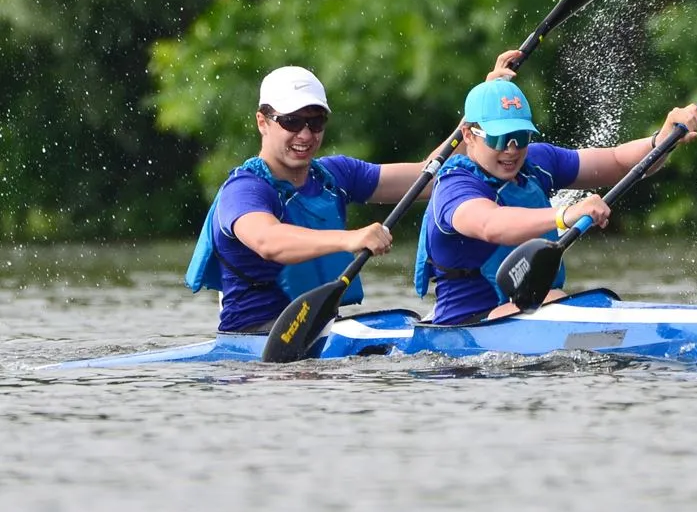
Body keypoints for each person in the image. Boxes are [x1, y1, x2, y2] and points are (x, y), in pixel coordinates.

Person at [185, 54, 519, 334]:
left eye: (316, 122)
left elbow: (429, 177)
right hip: (261, 340)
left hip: (325, 331)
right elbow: (269, 242)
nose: (305, 134)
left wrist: (478, 118)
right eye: (291, 121)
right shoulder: (245, 189)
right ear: (263, 122)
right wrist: (350, 239)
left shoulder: (335, 175)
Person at [414, 61, 697, 325]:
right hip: (464, 333)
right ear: (468, 135)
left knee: (558, 300)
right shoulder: (455, 185)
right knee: (552, 301)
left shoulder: (537, 163)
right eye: (500, 138)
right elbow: (492, 225)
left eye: (521, 136)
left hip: (526, 313)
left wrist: (661, 140)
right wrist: (566, 214)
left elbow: (616, 161)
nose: (512, 149)